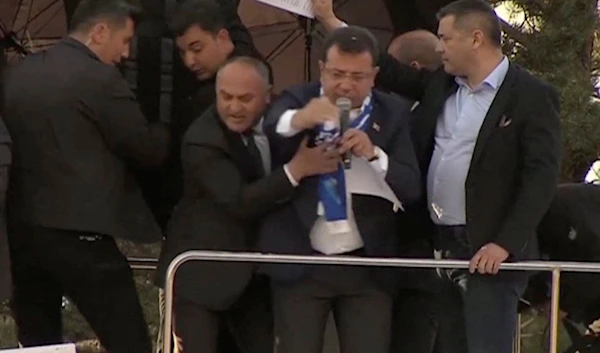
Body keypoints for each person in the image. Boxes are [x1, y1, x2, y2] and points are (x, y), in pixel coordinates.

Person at [312, 1, 561, 353]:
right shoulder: (441, 85)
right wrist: (330, 20)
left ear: (475, 39)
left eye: (445, 38)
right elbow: (385, 68)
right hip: (437, 246)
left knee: (486, 345)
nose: (439, 47)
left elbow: (541, 178)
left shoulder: (532, 96)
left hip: (490, 251)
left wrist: (504, 244)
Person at [2, 0, 169, 351]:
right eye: (124, 41)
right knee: (128, 338)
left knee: (37, 343)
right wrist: (165, 123)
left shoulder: (17, 75)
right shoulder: (99, 78)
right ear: (99, 32)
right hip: (82, 234)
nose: (125, 54)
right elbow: (145, 148)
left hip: (22, 234)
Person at [155, 56, 340, 353]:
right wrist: (297, 169)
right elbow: (238, 202)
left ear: (268, 96)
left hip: (256, 273)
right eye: (225, 97)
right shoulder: (202, 139)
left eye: (245, 98)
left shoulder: (281, 119)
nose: (234, 107)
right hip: (202, 272)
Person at [260, 26, 421, 353]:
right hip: (302, 258)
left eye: (357, 76)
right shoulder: (300, 99)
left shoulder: (393, 114)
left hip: (368, 263)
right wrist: (302, 118)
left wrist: (375, 155)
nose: (346, 84)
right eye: (337, 74)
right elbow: (273, 126)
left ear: (374, 75)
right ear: (322, 69)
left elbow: (411, 187)